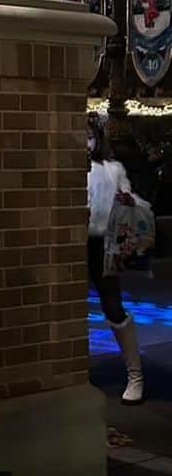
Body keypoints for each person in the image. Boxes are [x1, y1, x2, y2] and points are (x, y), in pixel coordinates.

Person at [87, 115, 144, 404]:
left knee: (113, 307)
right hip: (68, 246)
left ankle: (136, 375)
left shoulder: (111, 170)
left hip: (103, 244)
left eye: (89, 135)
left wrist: (126, 202)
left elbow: (128, 203)